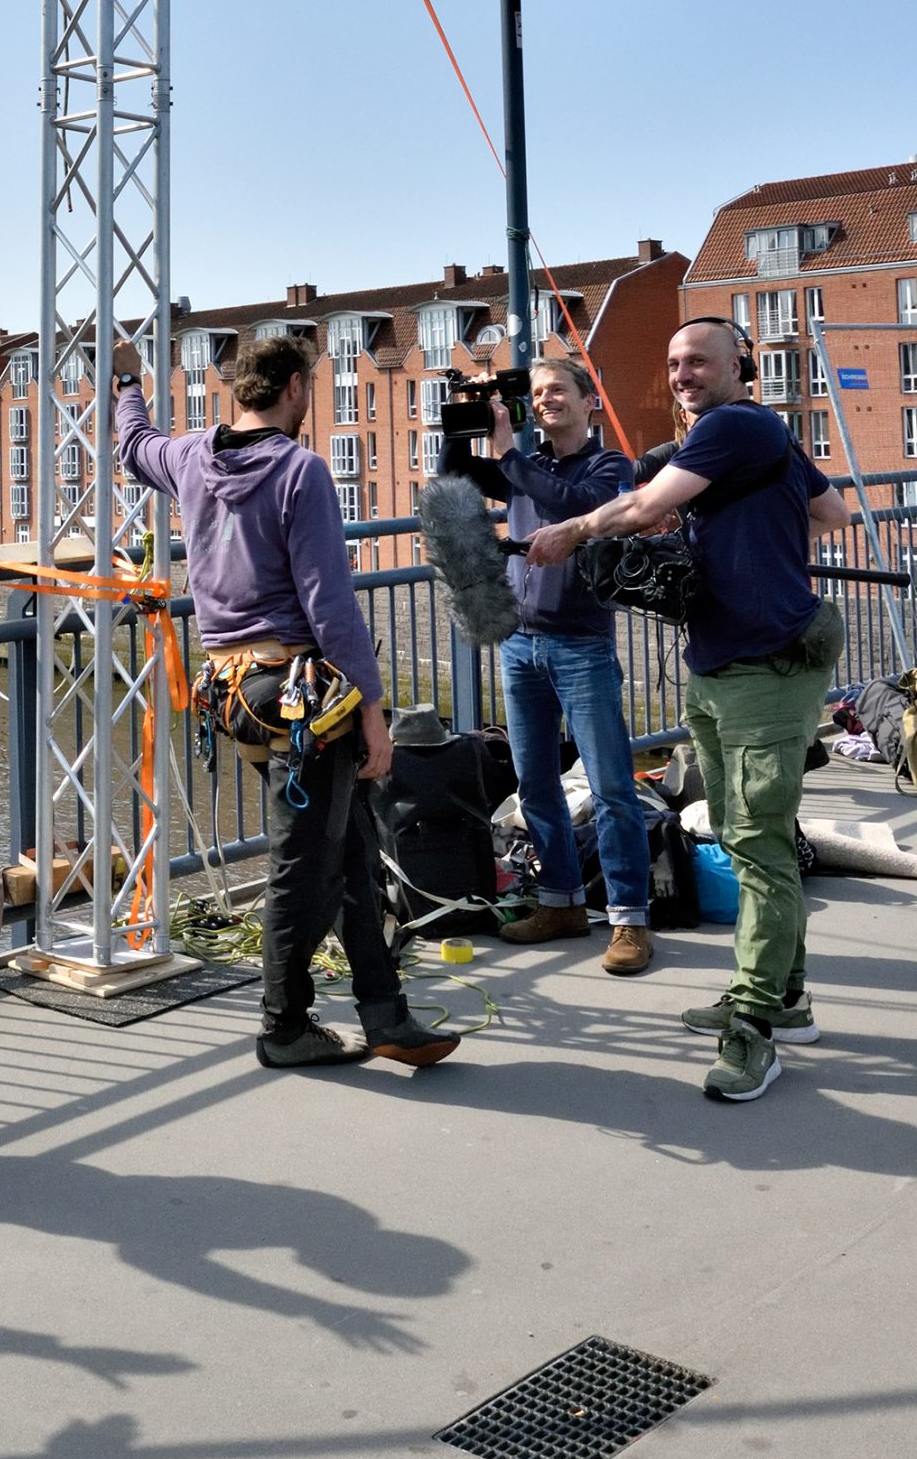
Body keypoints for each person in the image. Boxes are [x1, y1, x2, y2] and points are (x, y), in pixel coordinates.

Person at [113, 330, 457, 1069]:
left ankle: (385, 1014)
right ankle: (283, 1027)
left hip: (234, 689)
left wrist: (126, 386)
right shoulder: (301, 470)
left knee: (352, 852)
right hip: (300, 693)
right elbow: (330, 603)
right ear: (296, 387)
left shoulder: (192, 458)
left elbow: (136, 446)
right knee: (303, 867)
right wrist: (373, 710)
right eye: (310, 387)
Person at [529, 317, 849, 1103]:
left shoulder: (736, 426)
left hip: (764, 668)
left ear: (740, 365)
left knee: (759, 845)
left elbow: (642, 511)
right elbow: (832, 512)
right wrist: (752, 530)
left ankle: (755, 1027)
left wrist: (573, 529)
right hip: (718, 664)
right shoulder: (762, 440)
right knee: (746, 838)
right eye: (674, 363)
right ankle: (787, 998)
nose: (682, 374)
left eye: (698, 361)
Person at [439, 358, 649, 970]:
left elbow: (573, 503)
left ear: (589, 401)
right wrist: (465, 421)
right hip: (519, 643)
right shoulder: (529, 466)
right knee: (534, 783)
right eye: (536, 394)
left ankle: (630, 919)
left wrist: (509, 453)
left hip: (581, 645)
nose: (546, 400)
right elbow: (452, 475)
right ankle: (562, 902)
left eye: (558, 390)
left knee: (611, 787)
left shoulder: (610, 467)